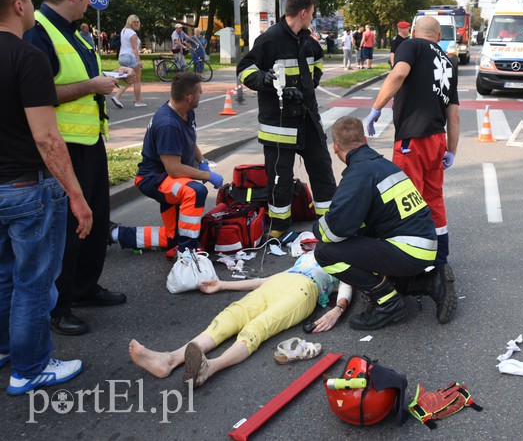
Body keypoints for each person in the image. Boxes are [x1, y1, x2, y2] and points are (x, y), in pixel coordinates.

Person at [0, 0, 93, 395]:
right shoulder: (26, 56)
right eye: (31, 0)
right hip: (25, 188)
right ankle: (32, 366)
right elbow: (47, 138)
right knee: (34, 282)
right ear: (19, 5)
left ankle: (7, 348)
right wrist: (76, 195)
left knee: (3, 275)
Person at [23, 0, 129, 337]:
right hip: (61, 146)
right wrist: (91, 86)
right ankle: (59, 306)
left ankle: (84, 289)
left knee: (96, 219)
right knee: (68, 228)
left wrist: (109, 82)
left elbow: (82, 81)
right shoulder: (38, 34)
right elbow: (40, 95)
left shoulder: (74, 33)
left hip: (88, 143)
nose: (90, 0)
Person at [314, 117, 457, 330]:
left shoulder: (358, 175)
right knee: (367, 254)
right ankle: (431, 282)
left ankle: (389, 304)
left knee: (325, 251)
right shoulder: (385, 166)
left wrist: (316, 227)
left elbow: (333, 231)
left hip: (407, 251)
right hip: (425, 247)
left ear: (335, 148)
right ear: (365, 140)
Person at [129, 255, 352, 388]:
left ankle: (210, 367)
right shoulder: (307, 255)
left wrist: (337, 310)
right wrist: (223, 284)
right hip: (276, 283)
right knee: (230, 316)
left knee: (256, 328)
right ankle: (169, 359)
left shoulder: (343, 260)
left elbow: (347, 285)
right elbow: (265, 280)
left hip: (305, 291)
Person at [364, 16, 460, 298]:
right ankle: (439, 260)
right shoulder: (448, 62)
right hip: (436, 140)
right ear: (440, 35)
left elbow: (397, 75)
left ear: (415, 32)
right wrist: (452, 150)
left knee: (405, 203)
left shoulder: (411, 46)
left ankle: (405, 270)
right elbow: (453, 115)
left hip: (412, 141)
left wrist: (376, 108)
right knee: (433, 200)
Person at [236, 0, 336, 239]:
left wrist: (310, 82)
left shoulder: (309, 41)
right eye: (312, 13)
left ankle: (329, 224)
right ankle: (279, 226)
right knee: (280, 178)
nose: (312, 18)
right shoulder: (270, 39)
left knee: (323, 170)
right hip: (279, 124)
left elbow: (318, 65)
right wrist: (266, 80)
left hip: (308, 119)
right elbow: (244, 70)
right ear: (303, 12)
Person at [109, 71, 223, 258]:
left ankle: (116, 234)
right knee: (195, 192)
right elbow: (174, 168)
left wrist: (202, 162)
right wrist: (208, 176)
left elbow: (190, 139)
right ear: (189, 97)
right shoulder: (168, 124)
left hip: (170, 179)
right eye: (200, 92)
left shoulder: (186, 112)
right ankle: (187, 251)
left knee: (172, 238)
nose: (201, 94)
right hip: (155, 179)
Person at [111, 14, 146, 108]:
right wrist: (139, 61)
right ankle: (137, 101)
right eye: (134, 22)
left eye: (137, 22)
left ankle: (116, 95)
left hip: (122, 56)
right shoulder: (132, 34)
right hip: (131, 57)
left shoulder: (123, 31)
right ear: (130, 22)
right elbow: (135, 49)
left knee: (128, 78)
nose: (136, 23)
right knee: (136, 80)